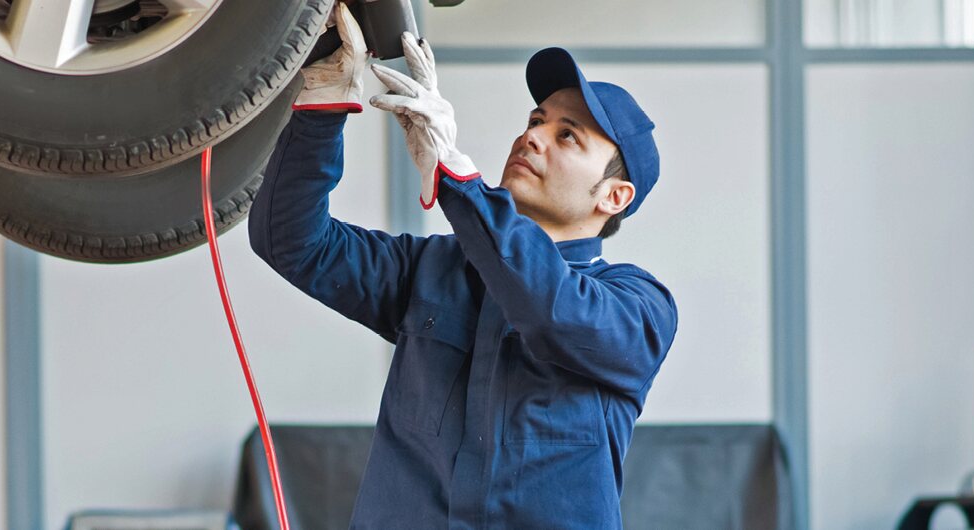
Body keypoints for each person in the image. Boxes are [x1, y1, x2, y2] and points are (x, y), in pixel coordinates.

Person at [247, 4, 677, 528]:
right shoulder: (434, 268)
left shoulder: (639, 309)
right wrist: (321, 103)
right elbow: (291, 241)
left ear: (614, 195)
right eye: (535, 120)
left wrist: (457, 177)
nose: (532, 136)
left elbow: (550, 310)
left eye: (568, 135)